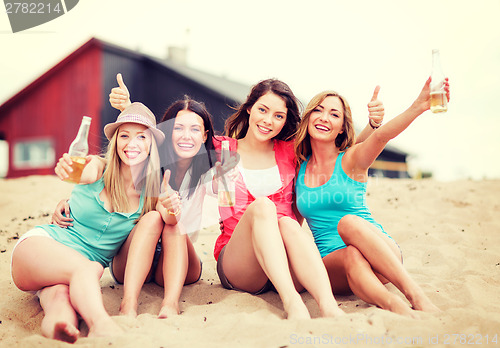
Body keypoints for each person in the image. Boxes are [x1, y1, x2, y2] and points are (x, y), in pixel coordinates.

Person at [53, 74, 217, 319]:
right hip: (133, 254)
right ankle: (128, 305)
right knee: (152, 218)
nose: (186, 135)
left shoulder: (209, 170)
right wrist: (68, 202)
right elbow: (118, 155)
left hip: (175, 257)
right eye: (178, 128)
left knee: (174, 225)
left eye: (195, 129)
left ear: (204, 136)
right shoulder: (147, 163)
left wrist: (172, 209)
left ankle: (170, 304)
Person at [294, 77, 450, 317]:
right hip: (333, 263)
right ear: (308, 118)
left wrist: (417, 106)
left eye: (334, 114)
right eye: (318, 110)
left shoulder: (352, 159)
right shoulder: (299, 168)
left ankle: (415, 295)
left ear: (342, 127)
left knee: (348, 222)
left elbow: (380, 137)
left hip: (380, 254)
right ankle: (392, 304)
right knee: (351, 255)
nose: (325, 117)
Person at [10, 102, 164, 343]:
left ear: (151, 145)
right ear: (116, 143)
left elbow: (168, 219)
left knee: (60, 301)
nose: (131, 143)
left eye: (141, 137)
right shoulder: (99, 167)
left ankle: (59, 330)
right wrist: (68, 170)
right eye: (124, 135)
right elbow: (84, 172)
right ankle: (101, 324)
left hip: (70, 276)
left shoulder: (152, 193)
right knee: (90, 268)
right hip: (42, 248)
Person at [213, 78, 350, 320]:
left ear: (286, 121)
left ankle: (328, 306)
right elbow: (171, 142)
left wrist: (374, 124)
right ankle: (292, 302)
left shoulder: (291, 151)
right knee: (264, 206)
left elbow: (342, 149)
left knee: (286, 222)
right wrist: (130, 109)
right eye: (262, 110)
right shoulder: (222, 150)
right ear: (249, 108)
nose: (268, 121)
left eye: (278, 116)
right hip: (241, 266)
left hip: (284, 260)